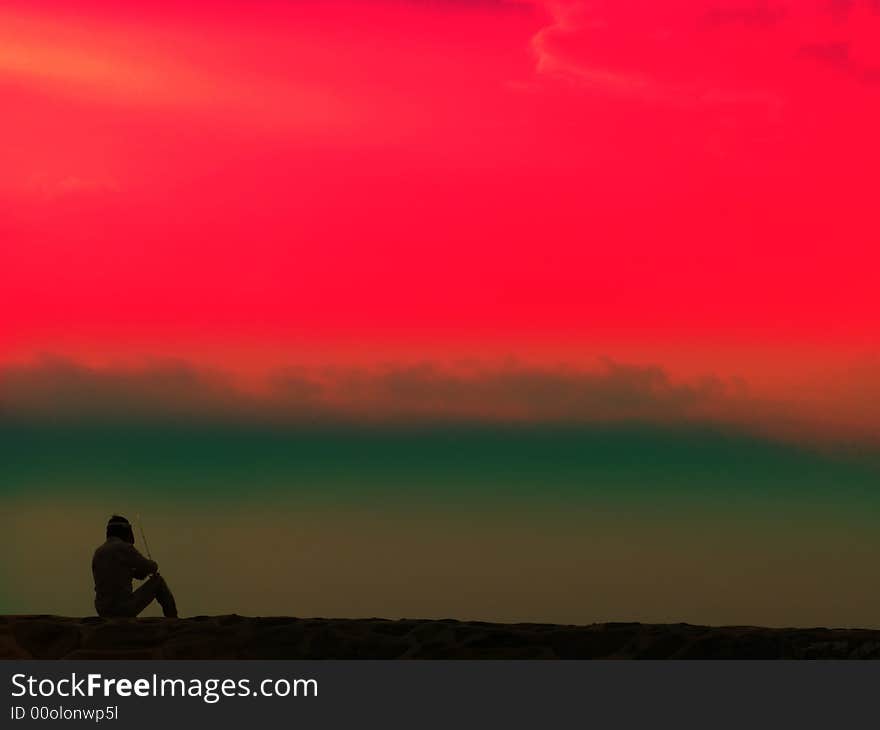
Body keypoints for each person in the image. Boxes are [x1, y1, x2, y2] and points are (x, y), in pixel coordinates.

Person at [92, 515, 178, 618]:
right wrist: (153, 564)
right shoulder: (124, 548)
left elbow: (114, 575)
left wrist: (135, 573)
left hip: (102, 609)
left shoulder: (98, 552)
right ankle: (173, 619)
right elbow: (151, 567)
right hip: (121, 608)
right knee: (158, 582)